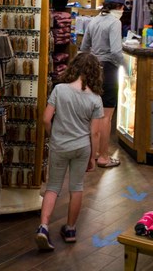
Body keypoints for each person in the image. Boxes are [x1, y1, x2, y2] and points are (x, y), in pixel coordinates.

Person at [35, 52, 104, 251]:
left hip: (59, 145)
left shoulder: (60, 89)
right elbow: (96, 132)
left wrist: (52, 135)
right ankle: (71, 229)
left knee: (53, 187)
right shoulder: (95, 99)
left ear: (73, 67)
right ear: (93, 73)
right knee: (77, 187)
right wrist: (93, 156)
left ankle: (44, 227)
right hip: (82, 147)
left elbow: (46, 119)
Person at [79, 0, 124, 168]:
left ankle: (93, 153)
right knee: (106, 116)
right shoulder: (114, 23)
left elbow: (84, 47)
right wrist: (125, 67)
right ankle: (104, 157)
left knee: (94, 115)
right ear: (120, 7)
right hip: (108, 69)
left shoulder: (94, 20)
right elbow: (115, 51)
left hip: (93, 69)